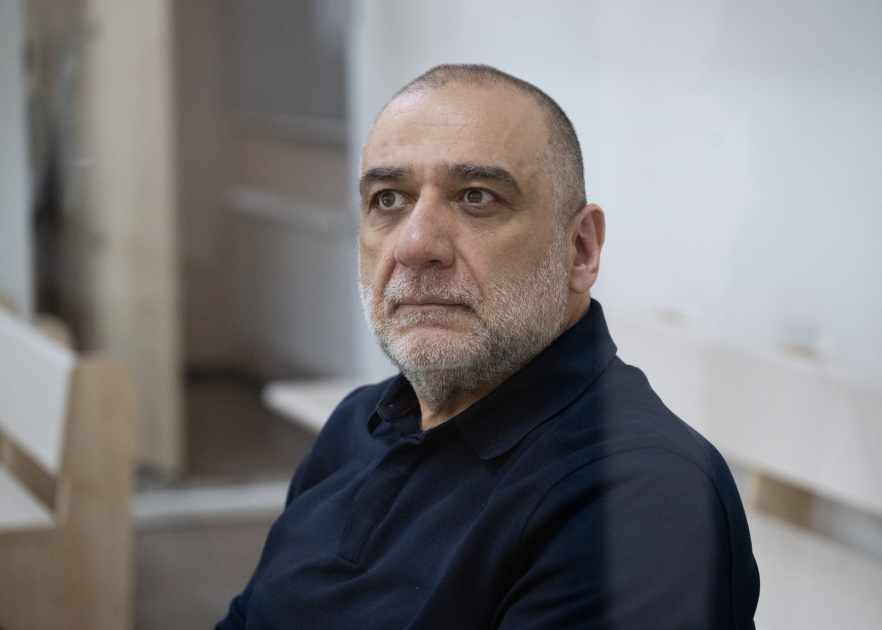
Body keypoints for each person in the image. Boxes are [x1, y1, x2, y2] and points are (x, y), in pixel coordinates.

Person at [217, 64, 759, 629]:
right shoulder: (358, 423)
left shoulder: (638, 495)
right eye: (388, 198)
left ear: (580, 249)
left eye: (477, 197)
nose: (415, 245)